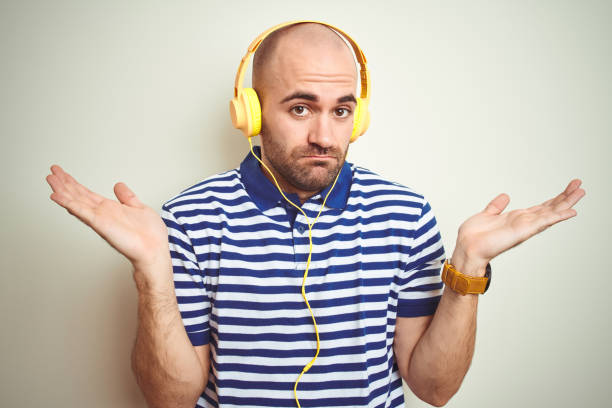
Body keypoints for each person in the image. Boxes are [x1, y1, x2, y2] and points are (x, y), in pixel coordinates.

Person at [46, 22, 585, 408]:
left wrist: (468, 268)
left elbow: (435, 390)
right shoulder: (186, 219)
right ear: (250, 112)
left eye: (342, 111)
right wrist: (151, 271)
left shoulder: (405, 212)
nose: (326, 137)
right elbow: (170, 400)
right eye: (300, 108)